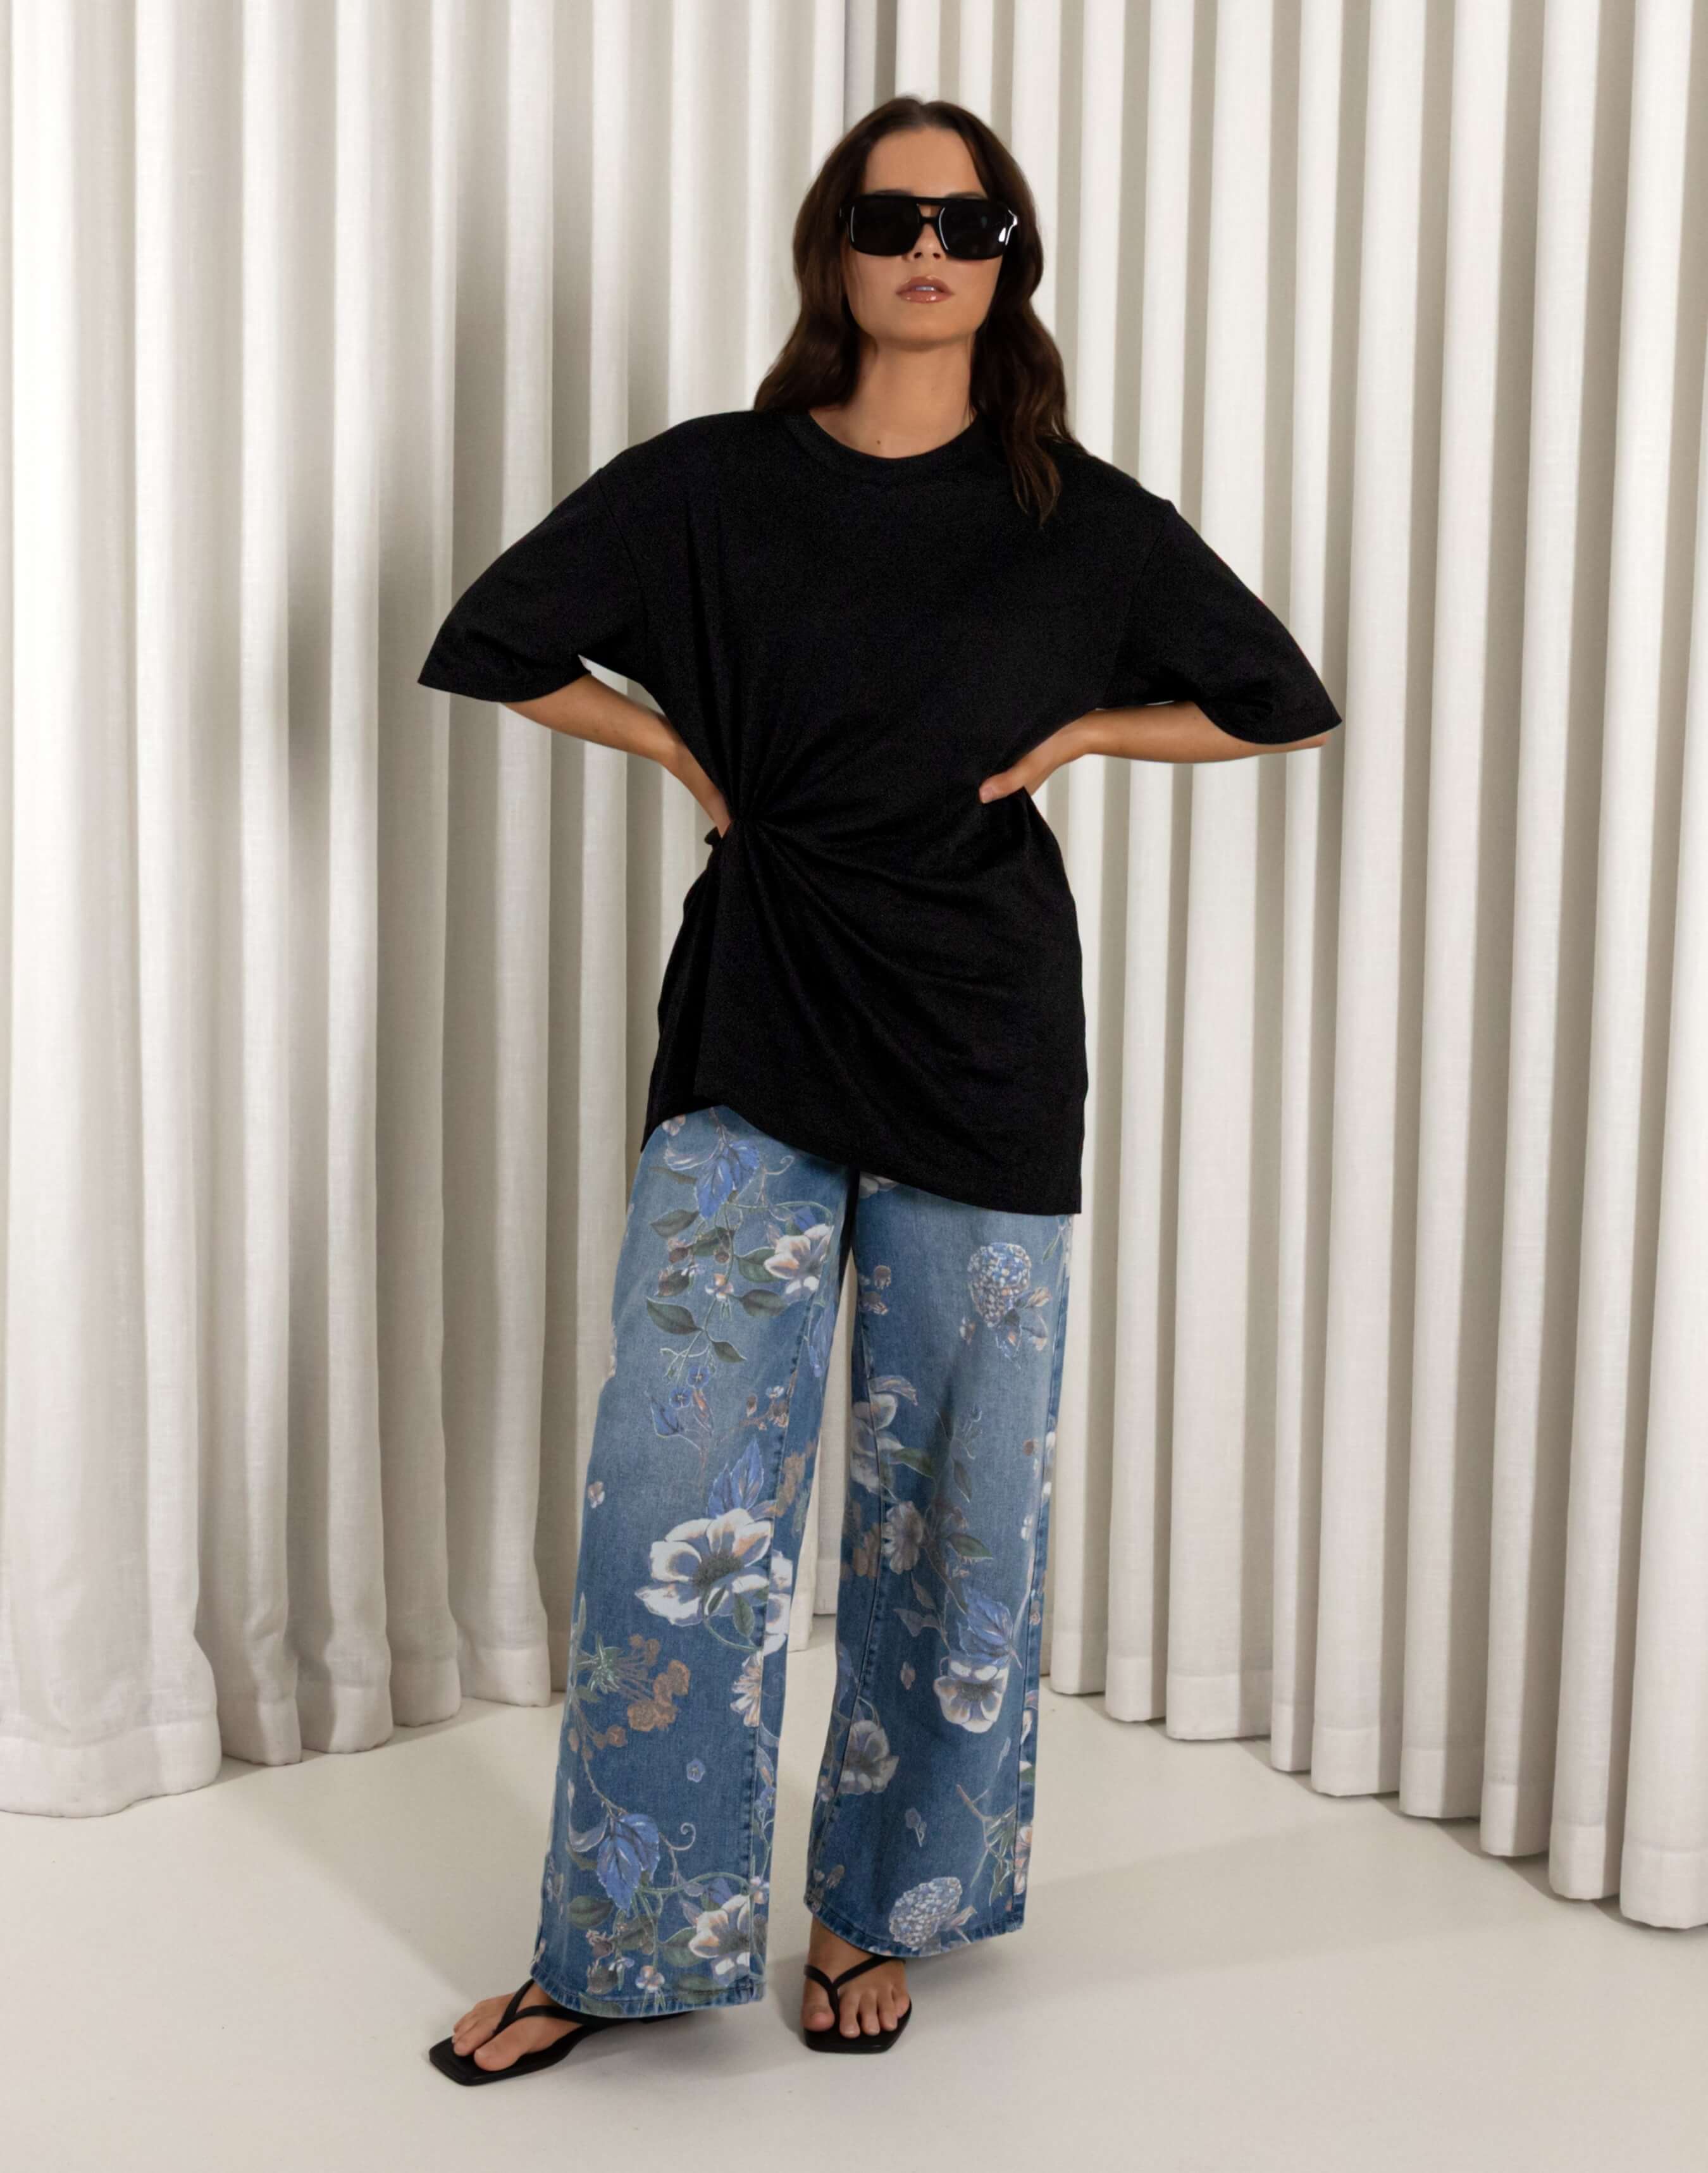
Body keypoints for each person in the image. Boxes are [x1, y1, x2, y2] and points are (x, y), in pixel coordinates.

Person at [416, 94, 1342, 2083]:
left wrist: (1082, 730)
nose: (929, 247)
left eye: (967, 221)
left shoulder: (1080, 518)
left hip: (983, 1043)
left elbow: (1278, 700)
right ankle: (622, 1938)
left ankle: (879, 1908)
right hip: (755, 1026)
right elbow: (491, 639)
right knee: (674, 1493)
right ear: (831, 246)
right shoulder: (707, 486)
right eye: (892, 214)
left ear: (1011, 260)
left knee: (954, 1511)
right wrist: (685, 756)